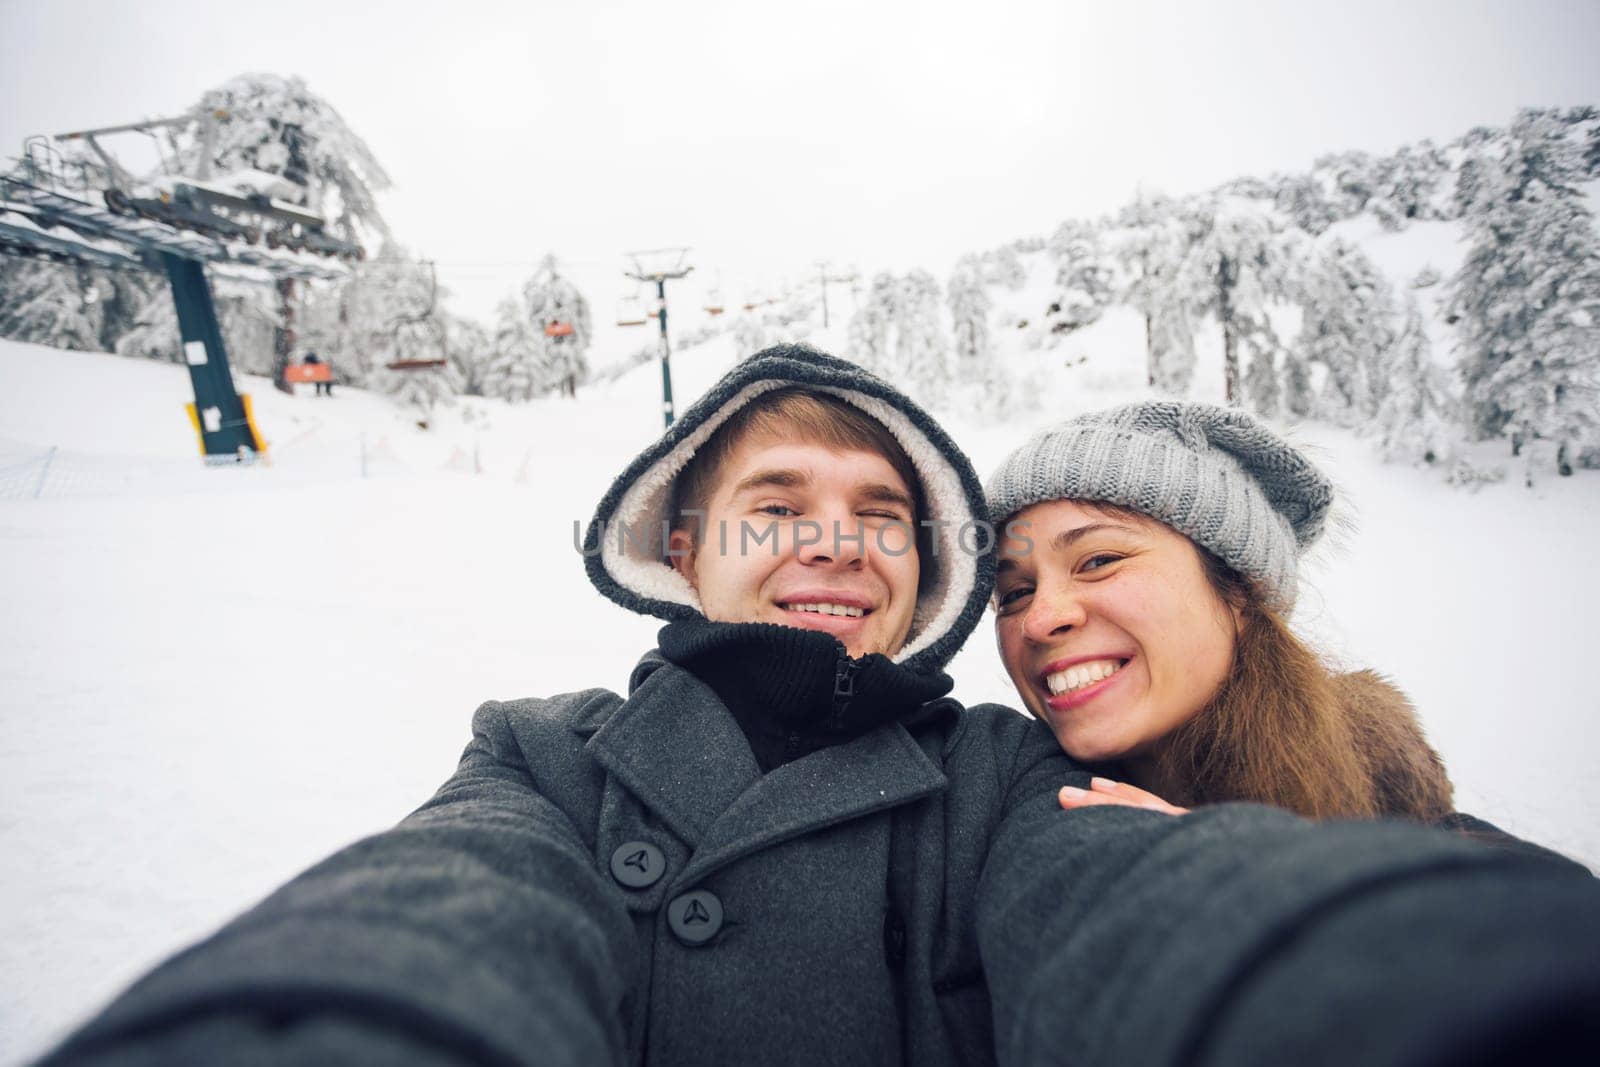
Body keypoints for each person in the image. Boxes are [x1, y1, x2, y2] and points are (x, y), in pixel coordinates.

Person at [40, 348, 1600, 1065]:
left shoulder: (999, 775)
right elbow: (439, 916)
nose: (833, 540)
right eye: (773, 504)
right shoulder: (541, 753)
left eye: (880, 512)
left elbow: (1147, 899)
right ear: (683, 550)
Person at [985, 400, 1581, 863]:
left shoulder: (1402, 817)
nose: (1040, 619)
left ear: (1240, 591)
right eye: (1013, 593)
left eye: (1098, 561)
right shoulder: (1001, 807)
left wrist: (1275, 888)